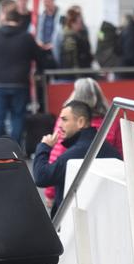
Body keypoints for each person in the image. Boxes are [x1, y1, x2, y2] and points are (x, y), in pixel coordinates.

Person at [43, 77, 123, 207]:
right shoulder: (111, 121)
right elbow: (120, 155)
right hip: (103, 185)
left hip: (71, 184)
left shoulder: (66, 121)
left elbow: (56, 155)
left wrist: (50, 193)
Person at [33, 101, 122, 217]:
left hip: (77, 222)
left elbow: (42, 177)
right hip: (107, 215)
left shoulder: (75, 153)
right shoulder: (106, 148)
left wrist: (44, 147)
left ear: (81, 122)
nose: (60, 125)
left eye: (64, 120)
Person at [0, 7, 44, 145]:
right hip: (19, 82)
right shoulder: (27, 37)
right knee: (18, 116)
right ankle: (14, 148)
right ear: (20, 20)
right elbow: (40, 58)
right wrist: (39, 71)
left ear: (5, 20)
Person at [37, 0, 62, 64]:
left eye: (48, 1)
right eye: (44, 1)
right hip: (42, 50)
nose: (46, 4)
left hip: (55, 51)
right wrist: (39, 41)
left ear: (53, 0)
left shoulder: (61, 16)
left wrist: (53, 44)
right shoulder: (41, 16)